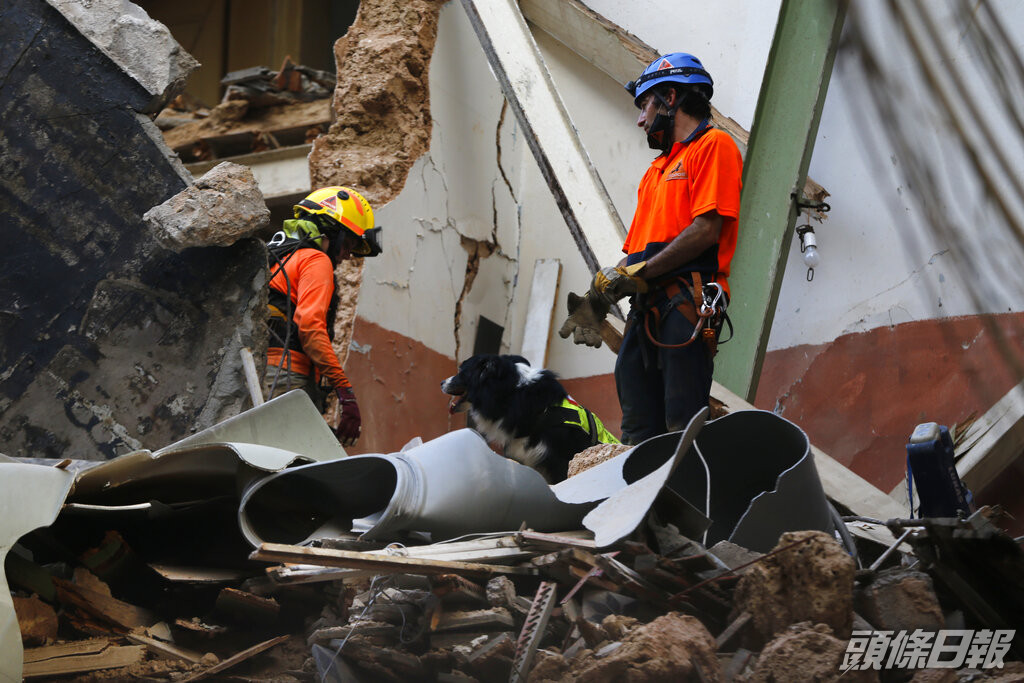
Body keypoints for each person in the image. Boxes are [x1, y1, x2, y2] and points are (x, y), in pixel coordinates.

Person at [590, 53, 743, 444]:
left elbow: (706, 230)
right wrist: (598, 293)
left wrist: (637, 274)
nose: (641, 119)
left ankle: (685, 500)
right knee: (637, 432)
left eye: (645, 105)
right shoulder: (654, 173)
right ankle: (647, 505)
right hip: (645, 311)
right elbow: (638, 252)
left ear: (670, 97)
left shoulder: (714, 146)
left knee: (681, 425)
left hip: (686, 303)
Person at [263, 186, 383, 446]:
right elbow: (309, 327)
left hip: (261, 373)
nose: (348, 255)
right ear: (332, 232)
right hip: (286, 378)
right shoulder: (315, 260)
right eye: (349, 244)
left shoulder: (277, 257)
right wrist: (345, 391)